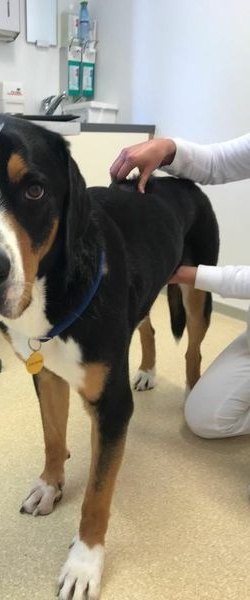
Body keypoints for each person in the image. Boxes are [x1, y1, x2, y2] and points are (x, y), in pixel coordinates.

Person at [110, 134, 250, 440]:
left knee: (195, 307)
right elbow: (217, 160)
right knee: (207, 417)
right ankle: (149, 360)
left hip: (194, 221)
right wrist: (167, 147)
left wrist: (191, 276)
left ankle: (192, 361)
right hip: (165, 214)